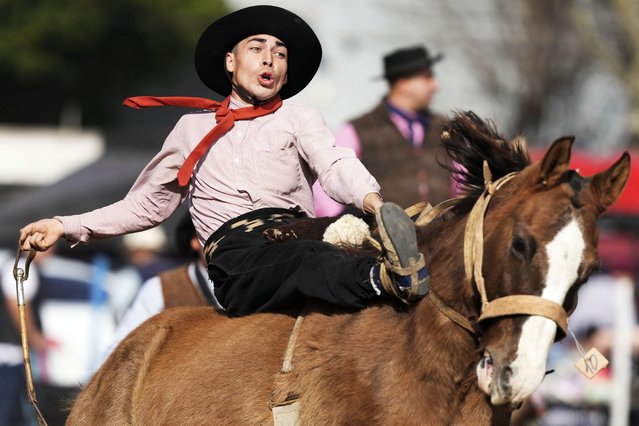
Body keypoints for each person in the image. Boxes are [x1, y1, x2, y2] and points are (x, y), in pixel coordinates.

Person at [18, 5, 430, 317]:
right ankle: (388, 281)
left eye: (280, 53)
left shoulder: (299, 118)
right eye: (257, 48)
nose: (270, 59)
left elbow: (334, 163)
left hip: (303, 231)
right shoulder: (190, 130)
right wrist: (63, 224)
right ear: (231, 63)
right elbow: (145, 206)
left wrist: (375, 204)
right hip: (238, 255)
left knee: (347, 244)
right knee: (311, 260)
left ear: (285, 74)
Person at [314, 45, 451, 217]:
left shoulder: (445, 128)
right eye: (427, 77)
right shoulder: (358, 129)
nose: (435, 86)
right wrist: (342, 220)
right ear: (404, 84)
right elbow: (327, 173)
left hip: (442, 236)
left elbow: (462, 183)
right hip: (381, 239)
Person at [99, 212, 222, 365]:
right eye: (217, 231)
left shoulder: (257, 284)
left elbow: (117, 307)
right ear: (195, 240)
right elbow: (119, 354)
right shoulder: (160, 287)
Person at [0, 249, 57, 425]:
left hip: (9, 352)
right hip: (10, 354)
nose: (51, 253)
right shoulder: (22, 269)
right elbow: (15, 304)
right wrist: (34, 337)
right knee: (6, 411)